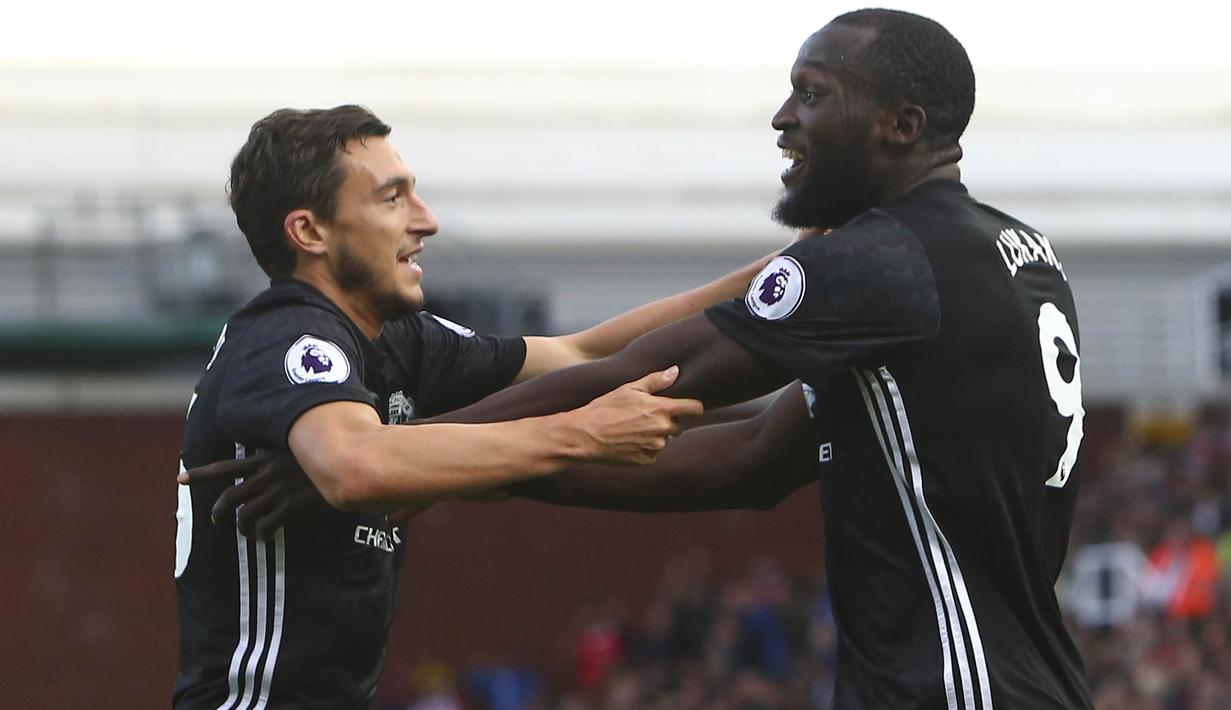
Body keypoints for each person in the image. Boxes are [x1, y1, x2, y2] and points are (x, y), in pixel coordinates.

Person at [190, 9, 1094, 708]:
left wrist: (401, 468)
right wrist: (439, 463)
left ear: (900, 125)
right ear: (308, 230)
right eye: (395, 198)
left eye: (812, 94)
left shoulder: (882, 261)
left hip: (951, 684)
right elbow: (746, 457)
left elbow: (616, 373)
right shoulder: (1012, 252)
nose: (783, 118)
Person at [172, 104, 780, 708]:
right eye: (392, 199)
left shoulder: (399, 340)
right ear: (309, 232)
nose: (426, 220)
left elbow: (582, 355)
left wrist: (786, 274)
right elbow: (356, 465)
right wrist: (583, 434)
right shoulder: (287, 333)